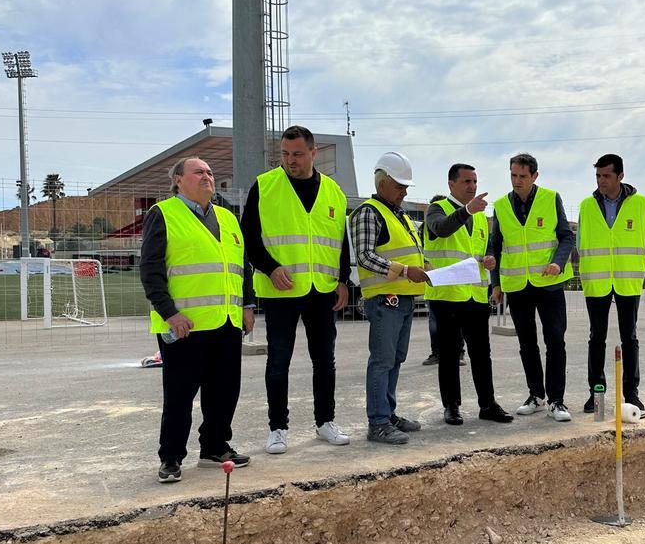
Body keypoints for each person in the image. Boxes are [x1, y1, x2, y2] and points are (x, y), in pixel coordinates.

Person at [141, 156, 253, 483]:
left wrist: (246, 305)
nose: (207, 176)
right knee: (179, 395)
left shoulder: (228, 218)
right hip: (184, 325)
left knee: (224, 391)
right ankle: (171, 457)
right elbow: (150, 271)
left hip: (227, 321)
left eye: (210, 172)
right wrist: (170, 313)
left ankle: (215, 447)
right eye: (198, 172)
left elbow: (240, 266)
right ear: (178, 180)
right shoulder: (162, 214)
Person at [241, 125, 351, 455]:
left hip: (322, 290)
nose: (291, 160)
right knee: (278, 361)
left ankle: (325, 422)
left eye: (298, 154)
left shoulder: (334, 191)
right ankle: (278, 428)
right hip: (281, 292)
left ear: (314, 153)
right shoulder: (264, 186)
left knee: (325, 360)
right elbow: (249, 238)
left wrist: (344, 279)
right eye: (286, 154)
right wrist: (270, 268)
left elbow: (340, 242)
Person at [423, 164, 514, 425]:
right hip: (447, 295)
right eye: (466, 181)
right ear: (451, 184)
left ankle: (488, 404)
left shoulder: (479, 218)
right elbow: (441, 229)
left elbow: (480, 252)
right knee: (450, 355)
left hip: (474, 295)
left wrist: (489, 261)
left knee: (481, 354)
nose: (472, 186)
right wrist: (466, 210)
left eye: (474, 181)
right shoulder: (438, 209)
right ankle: (451, 406)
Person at [489, 153, 575, 422]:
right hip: (517, 286)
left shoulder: (550, 198)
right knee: (527, 344)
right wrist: (496, 284)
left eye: (522, 176)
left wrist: (558, 264)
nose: (517, 181)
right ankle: (536, 396)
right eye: (513, 175)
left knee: (555, 342)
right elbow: (496, 247)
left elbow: (565, 237)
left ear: (535, 176)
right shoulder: (501, 205)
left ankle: (557, 401)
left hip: (548, 284)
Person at [350, 152, 429, 444]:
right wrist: (406, 270)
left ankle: (388, 413)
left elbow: (411, 253)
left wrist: (425, 268)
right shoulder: (369, 212)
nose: (405, 191)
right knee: (382, 361)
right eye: (399, 186)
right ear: (382, 183)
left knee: (396, 359)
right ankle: (378, 422)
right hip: (385, 298)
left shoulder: (400, 214)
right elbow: (365, 256)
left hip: (404, 297)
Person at [577, 154, 645, 417]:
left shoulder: (639, 203)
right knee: (596, 337)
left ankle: (631, 394)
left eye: (606, 176)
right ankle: (596, 393)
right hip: (596, 281)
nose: (601, 181)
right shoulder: (587, 205)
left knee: (629, 337)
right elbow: (580, 243)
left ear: (620, 176)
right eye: (598, 176)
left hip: (627, 281)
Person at [420, 195, 465, 367]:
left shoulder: (457, 223)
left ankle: (458, 352)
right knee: (434, 322)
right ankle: (437, 353)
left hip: (455, 284)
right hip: (435, 283)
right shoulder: (427, 227)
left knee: (456, 323)